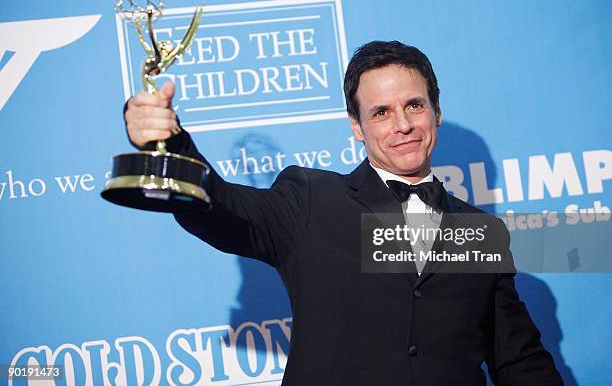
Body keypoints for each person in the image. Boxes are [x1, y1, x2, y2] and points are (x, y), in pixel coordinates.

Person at [124, 41, 563, 385]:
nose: (403, 124)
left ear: (436, 111)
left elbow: (518, 360)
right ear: (356, 126)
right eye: (381, 112)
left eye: (414, 105)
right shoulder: (311, 199)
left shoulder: (482, 233)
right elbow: (222, 208)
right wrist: (171, 143)